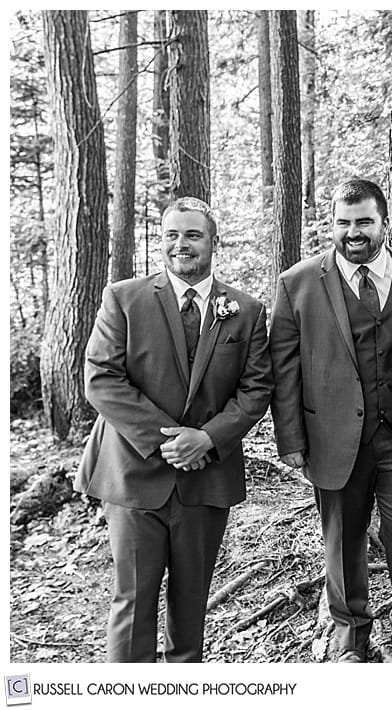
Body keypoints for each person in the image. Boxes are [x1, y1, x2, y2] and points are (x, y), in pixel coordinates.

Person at [77, 197, 273, 662]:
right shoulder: (123, 298)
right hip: (133, 472)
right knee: (132, 602)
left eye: (192, 235)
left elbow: (257, 387)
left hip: (206, 476)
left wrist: (206, 438)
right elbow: (101, 379)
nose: (180, 245)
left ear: (213, 243)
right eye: (171, 235)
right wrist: (171, 440)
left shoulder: (245, 311)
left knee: (191, 606)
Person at [269, 178, 392, 663]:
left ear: (383, 222)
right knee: (344, 538)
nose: (353, 232)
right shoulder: (299, 283)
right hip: (332, 438)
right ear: (332, 225)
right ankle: (350, 634)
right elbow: (283, 369)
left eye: (364, 222)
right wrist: (289, 438)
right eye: (343, 222)